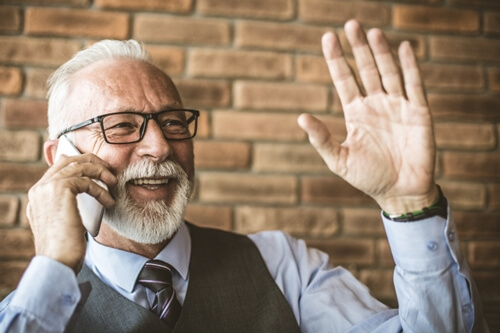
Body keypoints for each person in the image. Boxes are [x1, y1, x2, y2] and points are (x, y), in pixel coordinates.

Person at [0, 19, 489, 332]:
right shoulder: (32, 309)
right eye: (123, 126)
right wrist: (54, 266)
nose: (160, 146)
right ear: (60, 156)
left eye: (173, 122)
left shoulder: (283, 266)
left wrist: (410, 206)